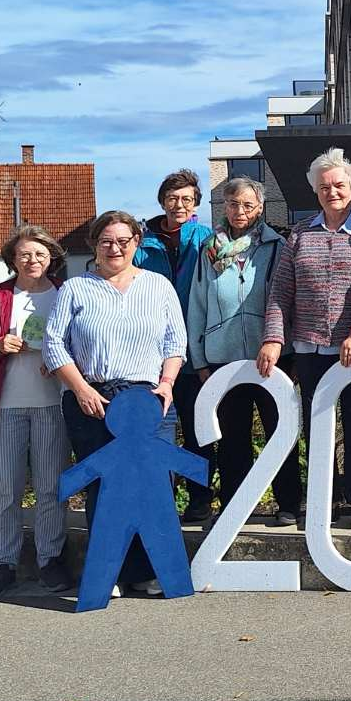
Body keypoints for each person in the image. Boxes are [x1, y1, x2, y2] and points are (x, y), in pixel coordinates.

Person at [44, 210, 189, 598]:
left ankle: (148, 571)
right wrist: (81, 389)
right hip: (94, 399)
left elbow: (175, 343)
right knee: (105, 487)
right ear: (94, 245)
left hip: (148, 399)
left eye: (124, 241)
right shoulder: (76, 289)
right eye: (106, 241)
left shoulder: (158, 286)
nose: (115, 248)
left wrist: (167, 384)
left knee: (154, 486)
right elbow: (54, 344)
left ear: (136, 243)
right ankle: (108, 571)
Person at [258, 152, 351, 528]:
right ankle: (325, 497)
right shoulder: (300, 234)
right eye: (324, 187)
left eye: (339, 185)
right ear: (315, 191)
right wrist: (274, 338)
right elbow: (281, 292)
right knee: (316, 424)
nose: (332, 192)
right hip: (309, 347)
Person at [188, 176, 301, 529]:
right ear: (224, 206)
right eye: (234, 204)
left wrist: (290, 350)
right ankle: (235, 506)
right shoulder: (209, 249)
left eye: (248, 205)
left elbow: (290, 300)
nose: (240, 211)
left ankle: (289, 503)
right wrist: (200, 359)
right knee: (232, 438)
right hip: (223, 358)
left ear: (261, 208)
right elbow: (197, 304)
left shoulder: (277, 246)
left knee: (279, 432)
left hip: (272, 357)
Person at [0, 225, 73, 597]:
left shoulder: (66, 293)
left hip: (53, 405)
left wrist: (61, 363)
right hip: (5, 406)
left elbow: (84, 343)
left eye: (40, 254)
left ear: (51, 257)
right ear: (12, 258)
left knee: (50, 488)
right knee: (5, 491)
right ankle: (4, 564)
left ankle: (50, 560)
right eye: (25, 254)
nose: (32, 260)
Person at [135, 169, 217, 524]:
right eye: (172, 198)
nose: (179, 205)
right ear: (162, 202)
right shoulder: (142, 244)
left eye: (186, 199)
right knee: (156, 433)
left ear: (196, 203)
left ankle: (200, 499)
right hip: (153, 356)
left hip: (196, 353)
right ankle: (161, 500)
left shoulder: (207, 239)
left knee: (198, 432)